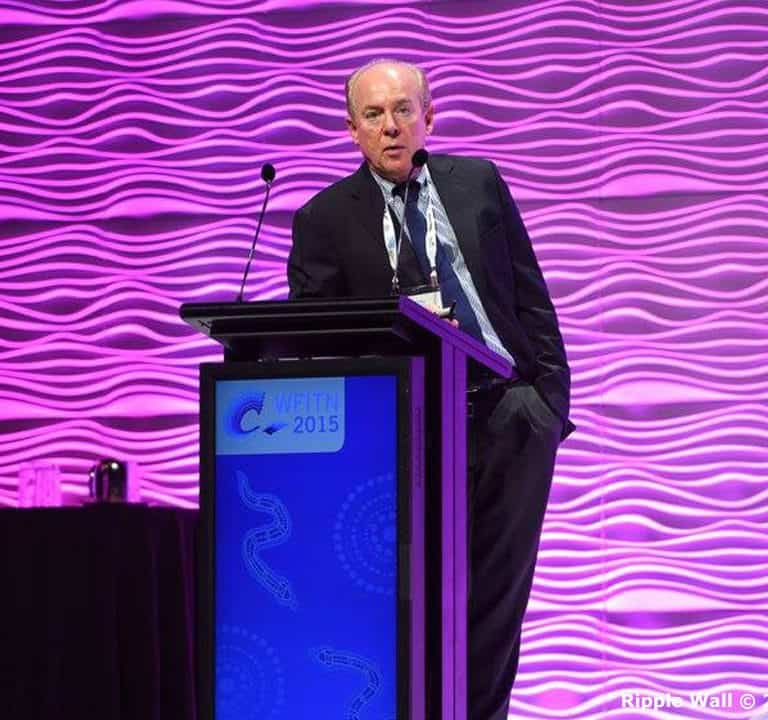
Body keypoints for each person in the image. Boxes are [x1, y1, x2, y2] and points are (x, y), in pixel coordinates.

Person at [288, 59, 573, 720]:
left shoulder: (479, 183)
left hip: (506, 416)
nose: (391, 126)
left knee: (496, 606)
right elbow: (311, 339)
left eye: (403, 110)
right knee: (413, 605)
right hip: (403, 434)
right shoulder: (323, 218)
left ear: (428, 117)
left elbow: (530, 297)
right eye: (373, 115)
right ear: (351, 129)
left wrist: (547, 405)